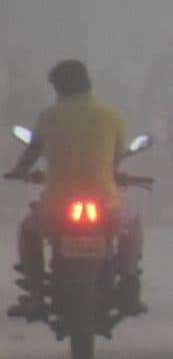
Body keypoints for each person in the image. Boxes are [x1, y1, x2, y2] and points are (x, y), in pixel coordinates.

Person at [5, 59, 145, 315]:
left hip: (56, 204)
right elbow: (114, 159)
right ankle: (128, 281)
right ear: (88, 82)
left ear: (57, 88)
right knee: (132, 224)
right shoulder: (112, 116)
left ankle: (36, 296)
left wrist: (18, 172)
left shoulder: (48, 117)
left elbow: (32, 152)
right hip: (106, 202)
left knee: (28, 230)